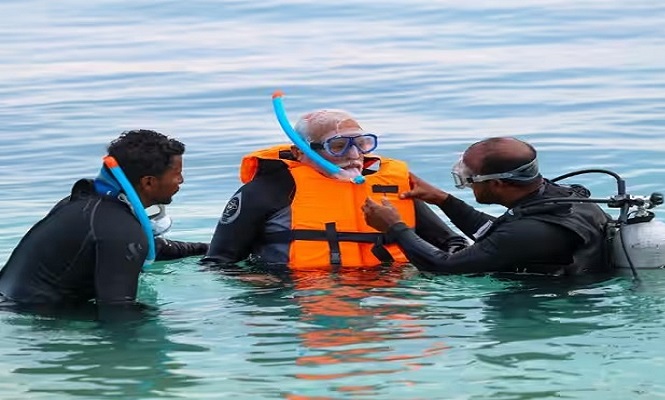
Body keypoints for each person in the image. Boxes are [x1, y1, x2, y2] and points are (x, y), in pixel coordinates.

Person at [203, 109, 467, 270]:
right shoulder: (266, 191)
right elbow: (218, 263)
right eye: (338, 146)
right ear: (300, 151)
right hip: (296, 298)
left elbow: (453, 242)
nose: (355, 155)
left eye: (362, 144)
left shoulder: (389, 188)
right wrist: (263, 288)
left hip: (388, 294)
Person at [0, 129, 208, 315]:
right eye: (177, 174)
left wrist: (205, 249)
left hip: (10, 302)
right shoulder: (121, 228)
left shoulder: (88, 206)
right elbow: (118, 312)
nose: (181, 181)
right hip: (30, 318)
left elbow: (138, 247)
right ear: (148, 182)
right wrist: (186, 319)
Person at [362, 136, 614, 276]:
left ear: (497, 184)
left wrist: (396, 228)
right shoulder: (563, 199)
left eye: (468, 180)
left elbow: (444, 267)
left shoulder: (528, 231)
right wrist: (444, 200)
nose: (469, 186)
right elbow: (495, 234)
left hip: (549, 309)